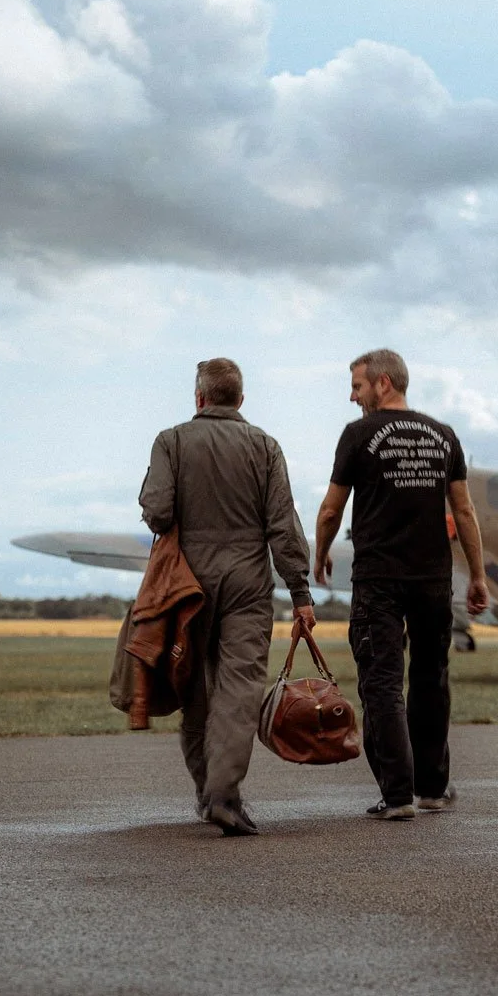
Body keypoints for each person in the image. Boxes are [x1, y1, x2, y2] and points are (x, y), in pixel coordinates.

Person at [139, 358, 315, 836]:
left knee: (195, 692)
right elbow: (283, 525)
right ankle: (224, 795)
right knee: (239, 690)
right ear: (240, 400)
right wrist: (300, 593)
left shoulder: (170, 441)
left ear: (200, 399)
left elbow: (156, 511)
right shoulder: (265, 446)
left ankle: (207, 795)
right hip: (248, 586)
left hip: (186, 586)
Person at [314, 350, 488, 820]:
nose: (352, 396)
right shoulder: (443, 435)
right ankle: (432, 788)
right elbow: (464, 511)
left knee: (383, 683)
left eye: (357, 386)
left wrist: (320, 552)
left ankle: (396, 797)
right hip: (434, 579)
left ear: (383, 383)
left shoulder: (357, 435)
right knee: (432, 679)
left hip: (379, 580)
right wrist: (477, 574)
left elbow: (331, 508)